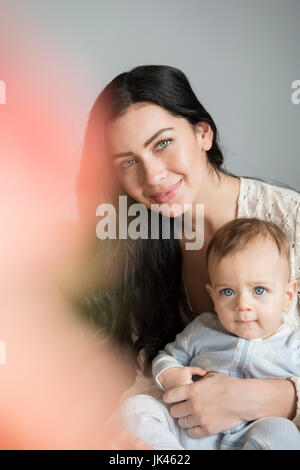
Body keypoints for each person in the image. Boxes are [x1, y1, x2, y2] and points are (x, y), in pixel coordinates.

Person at [76, 65, 300, 449]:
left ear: (203, 133)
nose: (154, 176)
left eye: (162, 143)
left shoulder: (290, 221)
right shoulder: (133, 245)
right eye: (128, 161)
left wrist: (262, 398)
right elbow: (143, 377)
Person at [116, 218, 300, 450]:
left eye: (259, 290)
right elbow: (167, 357)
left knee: (284, 433)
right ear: (212, 296)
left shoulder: (294, 345)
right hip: (188, 434)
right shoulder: (203, 329)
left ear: (288, 296)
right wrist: (170, 375)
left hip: (251, 437)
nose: (242, 304)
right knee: (135, 407)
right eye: (228, 291)